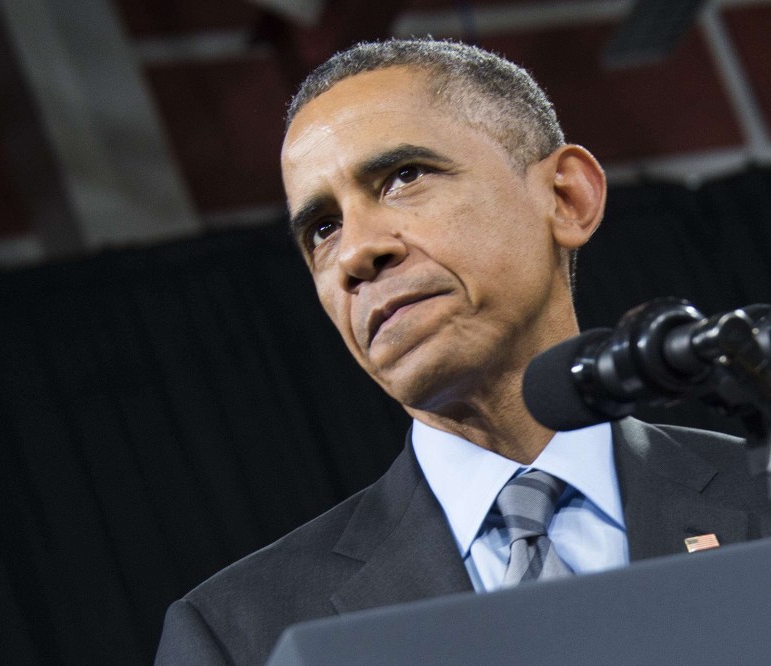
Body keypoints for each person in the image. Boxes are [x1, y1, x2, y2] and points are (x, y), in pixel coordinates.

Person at [155, 38, 771, 665]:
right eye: (323, 228)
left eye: (404, 177)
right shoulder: (240, 634)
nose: (355, 254)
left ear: (566, 198)